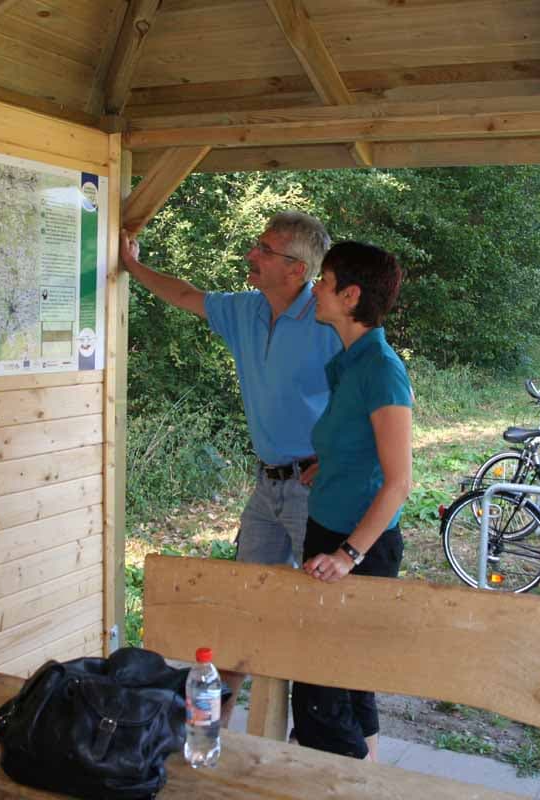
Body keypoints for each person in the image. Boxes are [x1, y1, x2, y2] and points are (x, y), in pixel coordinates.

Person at [118, 211, 342, 719]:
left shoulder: (329, 320)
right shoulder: (245, 310)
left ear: (297, 269)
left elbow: (377, 399)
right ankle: (217, 717)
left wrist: (336, 457)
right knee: (247, 599)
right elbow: (183, 295)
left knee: (314, 609)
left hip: (316, 487)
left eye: (265, 249)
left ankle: (321, 725)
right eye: (256, 245)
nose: (251, 256)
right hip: (267, 486)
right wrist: (133, 267)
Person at [293, 241, 412, 762]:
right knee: (350, 682)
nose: (315, 287)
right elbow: (359, 442)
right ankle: (368, 785)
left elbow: (399, 482)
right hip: (329, 531)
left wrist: (348, 556)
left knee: (320, 697)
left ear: (350, 295)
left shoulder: (382, 370)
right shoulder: (349, 362)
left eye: (324, 279)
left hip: (359, 548)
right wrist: (330, 466)